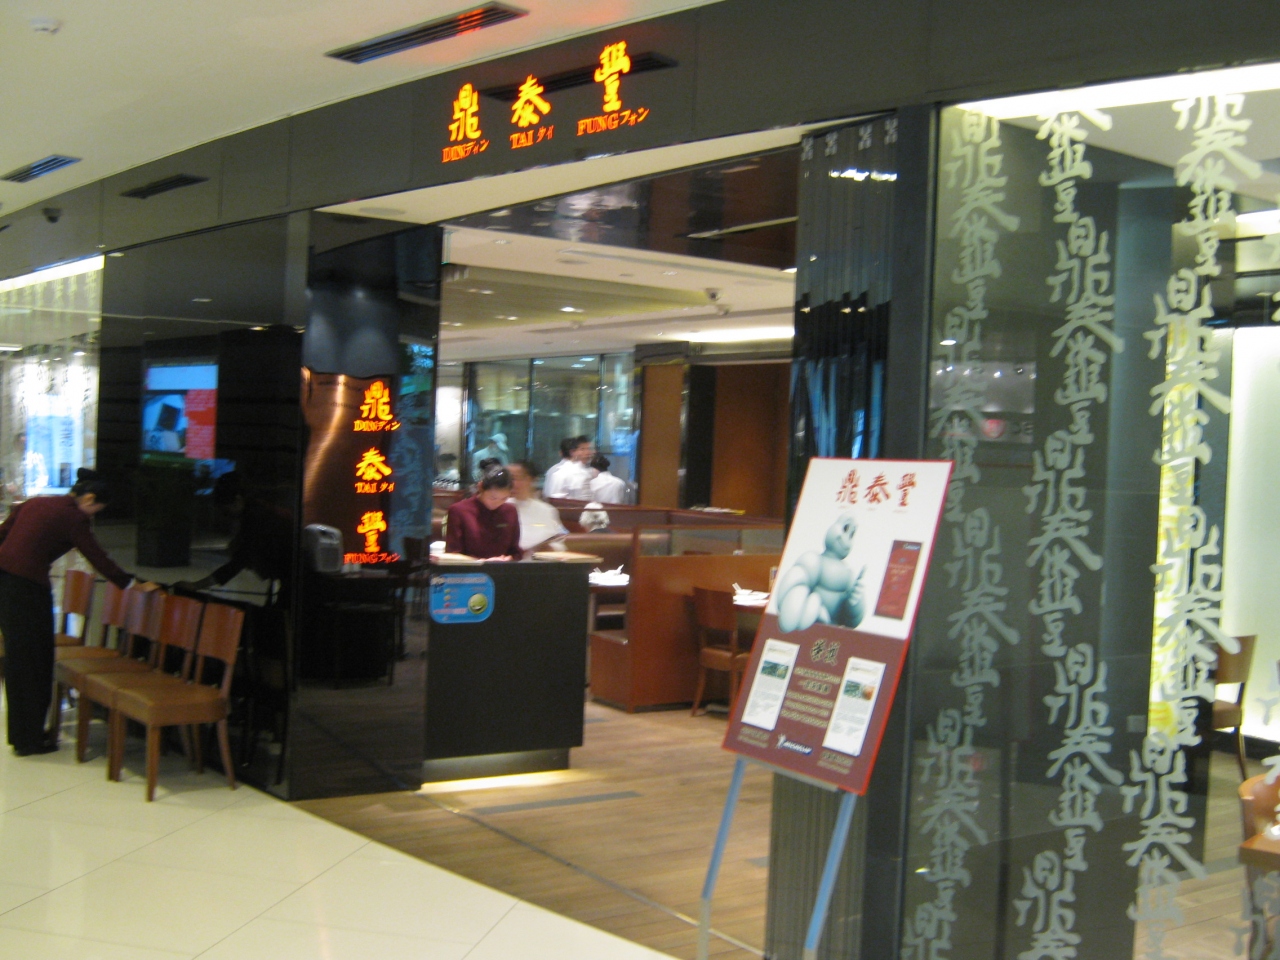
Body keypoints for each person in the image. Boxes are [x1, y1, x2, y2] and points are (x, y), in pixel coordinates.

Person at [0, 468, 139, 755]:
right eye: (97, 510)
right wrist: (129, 583)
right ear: (89, 498)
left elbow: (3, 533)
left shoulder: (37, 502)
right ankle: (30, 740)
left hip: (5, 584)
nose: (93, 516)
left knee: (18, 661)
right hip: (27, 590)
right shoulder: (73, 517)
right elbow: (97, 555)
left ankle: (22, 736)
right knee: (36, 662)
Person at [182, 472, 294, 606]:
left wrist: (196, 586)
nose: (225, 515)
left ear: (238, 500)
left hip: (295, 579)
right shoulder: (258, 509)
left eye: (226, 510)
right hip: (291, 577)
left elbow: (240, 560)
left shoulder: (255, 517)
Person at [775, 513, 865, 633]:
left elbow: (851, 622)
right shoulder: (814, 560)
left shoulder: (849, 574)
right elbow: (792, 586)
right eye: (845, 528)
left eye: (852, 534)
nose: (846, 537)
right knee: (811, 599)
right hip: (806, 627)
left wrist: (855, 605)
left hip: (831, 632)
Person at [445, 466, 522, 560]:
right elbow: (453, 555)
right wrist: (483, 562)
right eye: (493, 498)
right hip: (470, 568)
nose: (497, 503)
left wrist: (510, 558)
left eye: (504, 498)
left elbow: (515, 551)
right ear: (480, 487)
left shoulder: (510, 511)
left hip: (502, 567)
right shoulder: (459, 511)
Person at [508, 461, 567, 553]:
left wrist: (550, 548)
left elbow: (560, 541)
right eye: (507, 479)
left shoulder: (547, 510)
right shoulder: (499, 508)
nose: (510, 483)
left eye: (514, 478)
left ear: (531, 480)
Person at [543, 436, 593, 500]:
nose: (588, 453)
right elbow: (555, 499)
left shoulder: (553, 469)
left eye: (588, 449)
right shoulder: (561, 472)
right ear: (572, 452)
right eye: (582, 449)